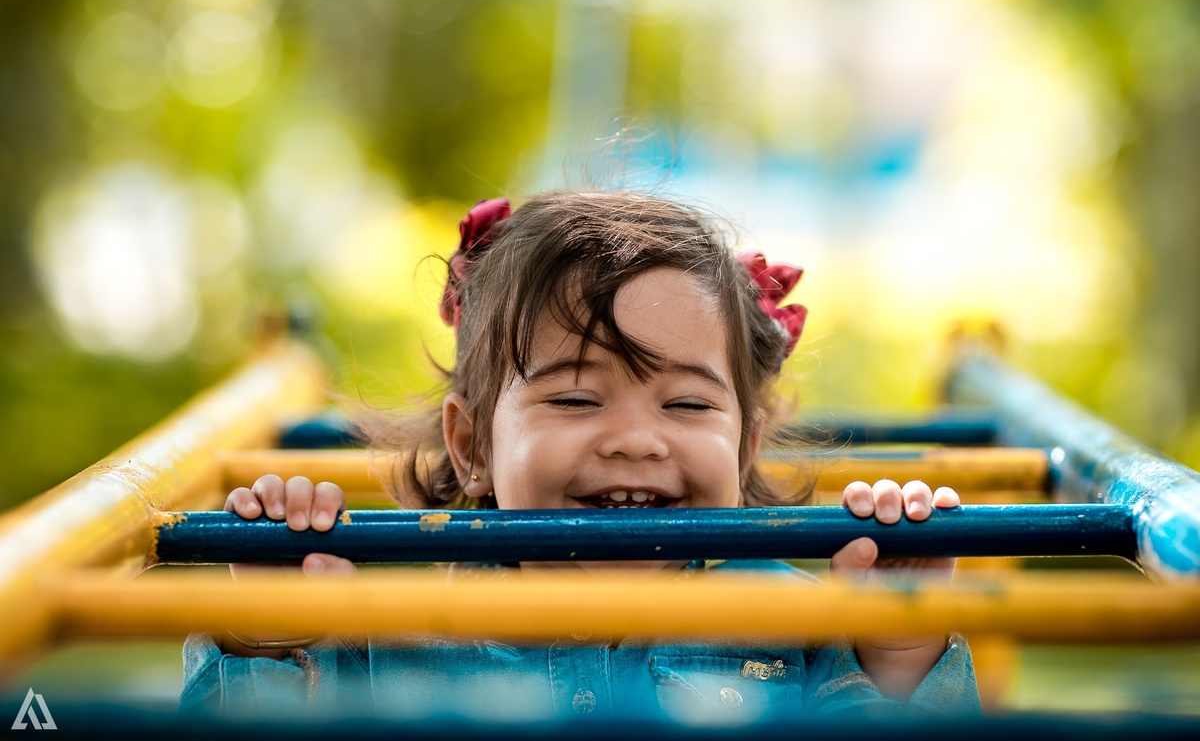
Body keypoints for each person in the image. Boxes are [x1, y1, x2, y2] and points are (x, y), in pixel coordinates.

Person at [180, 193, 980, 722]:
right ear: (472, 444)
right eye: (573, 398)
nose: (635, 438)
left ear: (745, 443)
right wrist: (269, 638)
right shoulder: (392, 630)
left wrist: (898, 647)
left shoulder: (800, 622)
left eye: (686, 404)